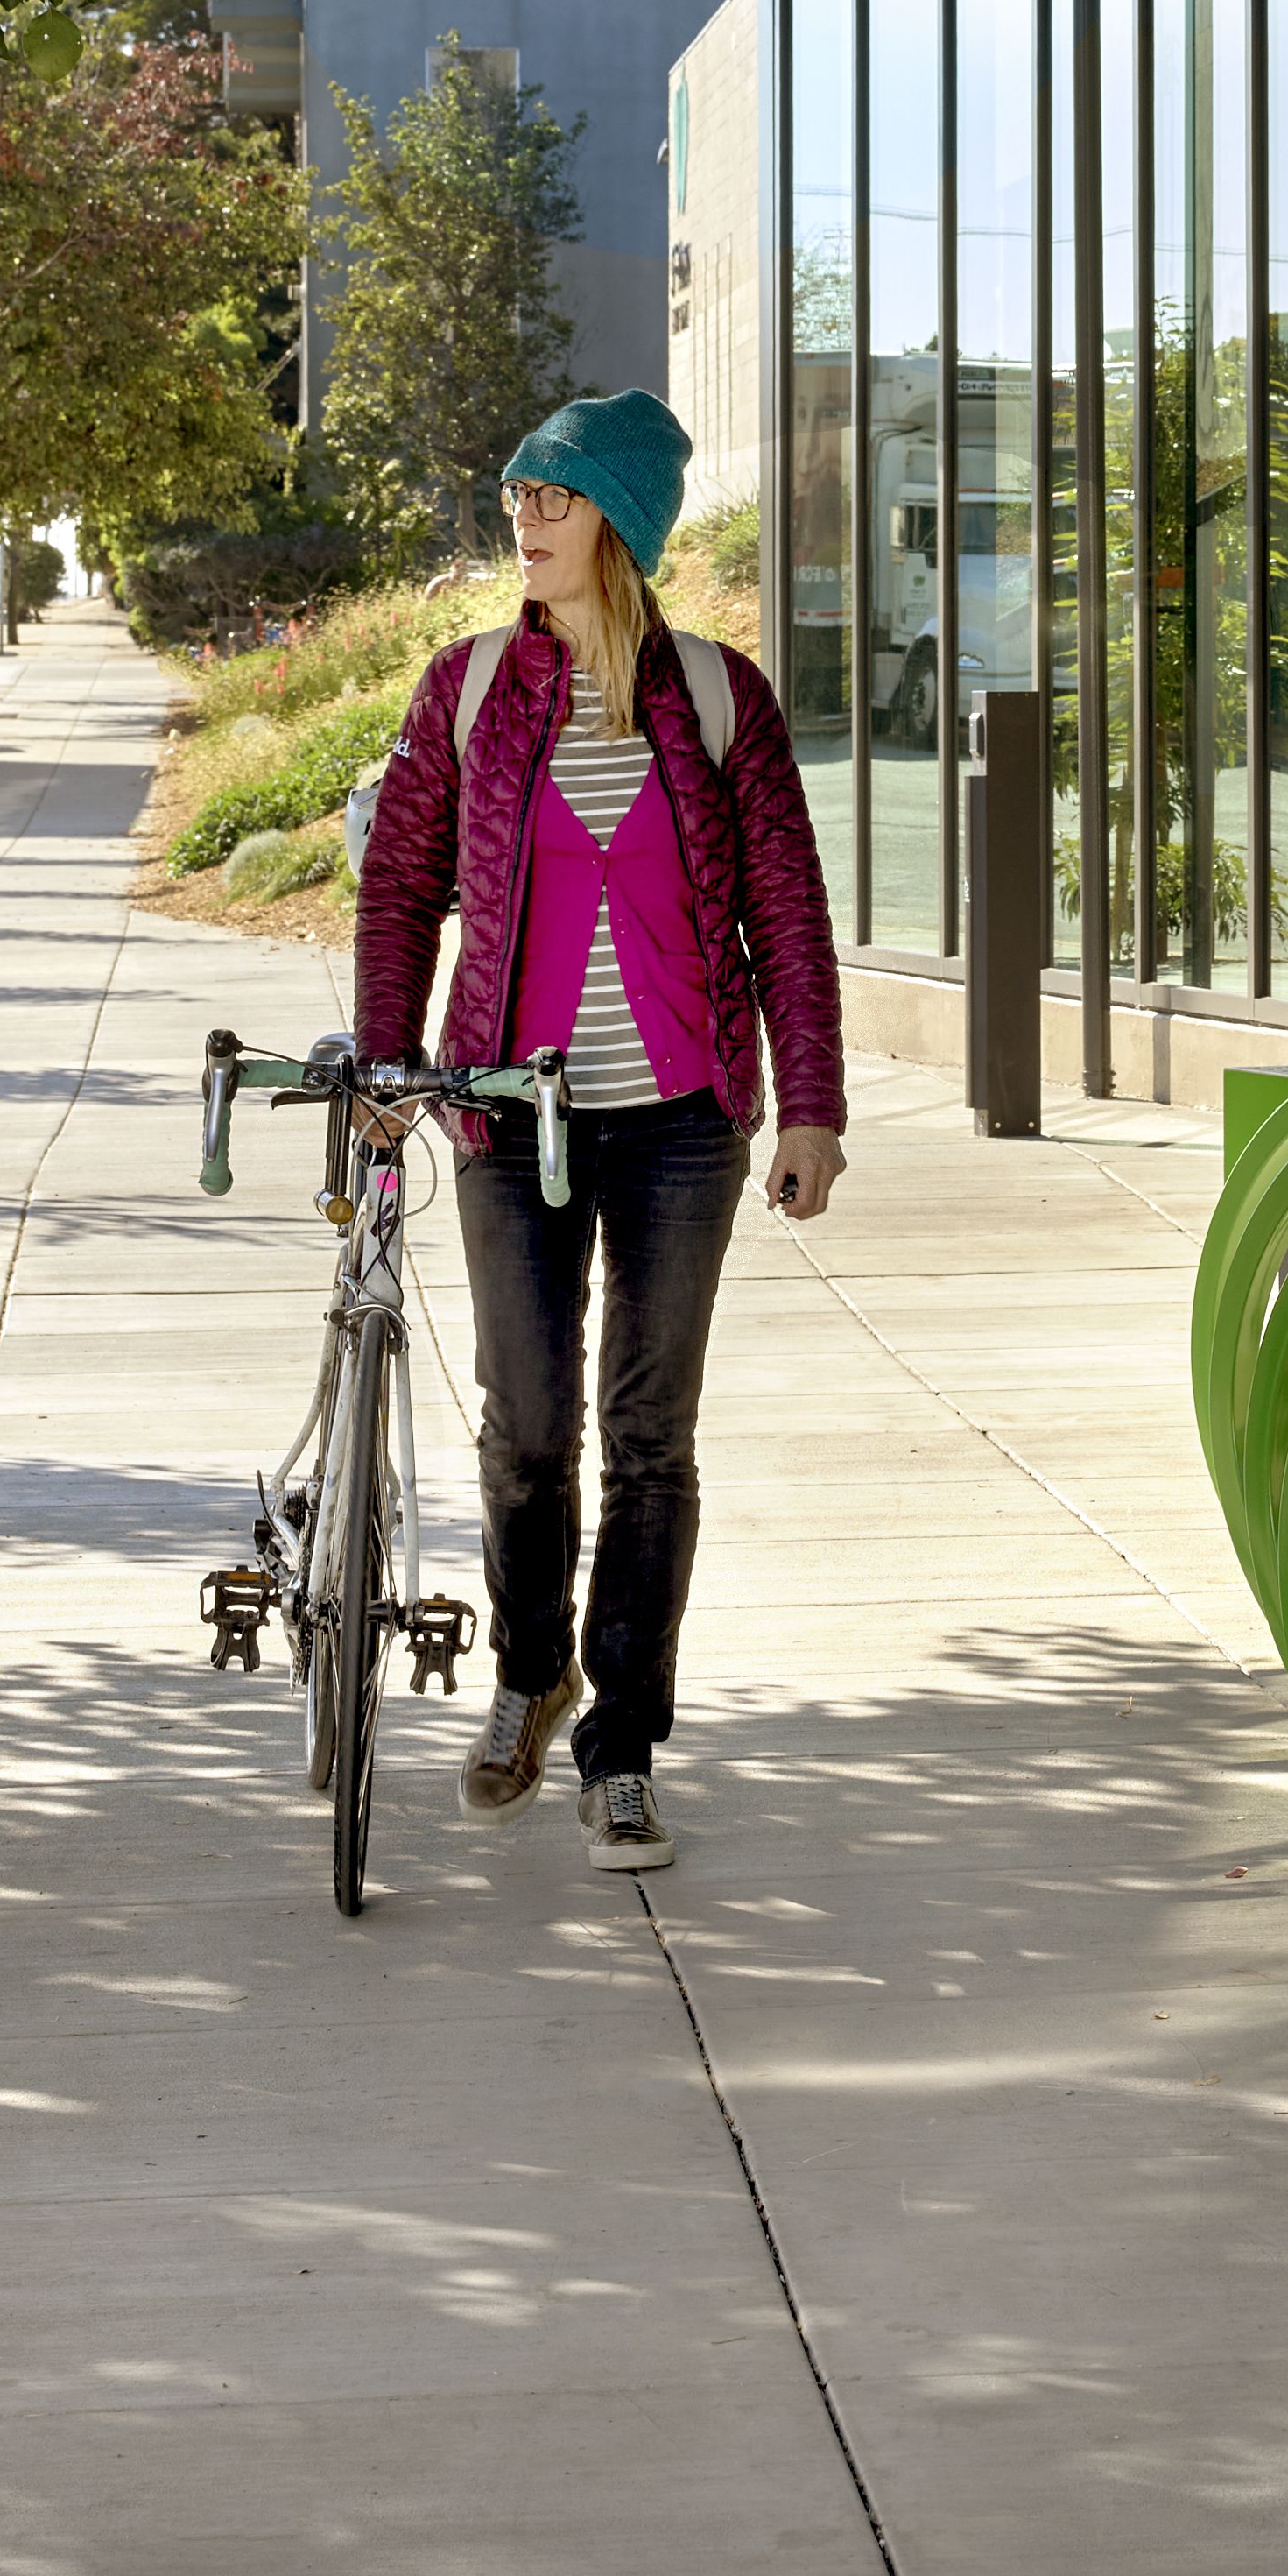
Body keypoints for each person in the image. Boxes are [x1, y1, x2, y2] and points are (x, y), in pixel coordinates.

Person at [350, 387, 847, 1874]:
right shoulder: (468, 686)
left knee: (649, 1438)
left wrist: (809, 1103)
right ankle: (526, 1678)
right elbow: (400, 888)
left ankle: (623, 1744)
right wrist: (390, 1057)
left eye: (550, 498)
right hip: (512, 1118)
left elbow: (788, 915)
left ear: (618, 521)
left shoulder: (715, 696)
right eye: (513, 496)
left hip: (683, 1121)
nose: (523, 521)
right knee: (522, 1427)